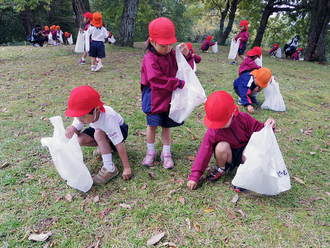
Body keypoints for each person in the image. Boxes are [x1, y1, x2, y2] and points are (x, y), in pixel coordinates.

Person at [187, 91, 276, 192]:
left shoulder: (244, 119)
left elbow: (259, 130)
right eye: (215, 123)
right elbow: (204, 152)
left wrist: (268, 126)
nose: (218, 126)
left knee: (251, 149)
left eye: (222, 122)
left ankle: (246, 177)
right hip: (229, 156)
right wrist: (194, 176)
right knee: (221, 147)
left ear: (233, 113)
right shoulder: (213, 131)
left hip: (245, 155)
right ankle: (222, 168)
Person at [141, 17, 189, 169]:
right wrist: (177, 83)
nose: (168, 48)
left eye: (170, 45)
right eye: (163, 46)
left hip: (169, 97)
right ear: (152, 42)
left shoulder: (171, 55)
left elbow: (184, 66)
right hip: (154, 98)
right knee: (152, 125)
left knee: (166, 126)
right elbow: (156, 79)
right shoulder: (149, 58)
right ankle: (150, 151)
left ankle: (166, 153)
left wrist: (186, 54)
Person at [65, 85, 132, 184]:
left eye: (83, 117)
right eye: (77, 116)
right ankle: (106, 148)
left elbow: (119, 144)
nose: (79, 120)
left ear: (96, 110)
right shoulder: (82, 115)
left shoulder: (108, 118)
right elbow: (76, 130)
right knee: (79, 139)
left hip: (119, 130)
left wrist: (126, 167)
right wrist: (70, 129)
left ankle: (110, 168)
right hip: (98, 129)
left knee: (98, 134)